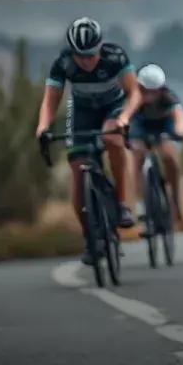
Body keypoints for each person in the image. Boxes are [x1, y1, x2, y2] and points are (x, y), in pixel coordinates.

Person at [35, 17, 140, 265]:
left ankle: (122, 204)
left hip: (113, 107)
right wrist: (43, 126)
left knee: (112, 138)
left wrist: (124, 118)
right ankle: (91, 238)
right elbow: (50, 100)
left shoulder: (115, 57)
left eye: (91, 55)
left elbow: (134, 93)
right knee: (78, 169)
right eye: (80, 56)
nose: (86, 61)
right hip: (82, 111)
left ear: (100, 47)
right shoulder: (63, 63)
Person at [129, 64, 183, 221]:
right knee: (137, 154)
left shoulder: (169, 97)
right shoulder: (133, 97)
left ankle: (175, 199)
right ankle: (140, 202)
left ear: (162, 88)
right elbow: (125, 116)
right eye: (145, 90)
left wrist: (179, 133)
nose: (150, 95)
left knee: (169, 155)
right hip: (141, 126)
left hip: (164, 127)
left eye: (154, 91)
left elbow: (180, 118)